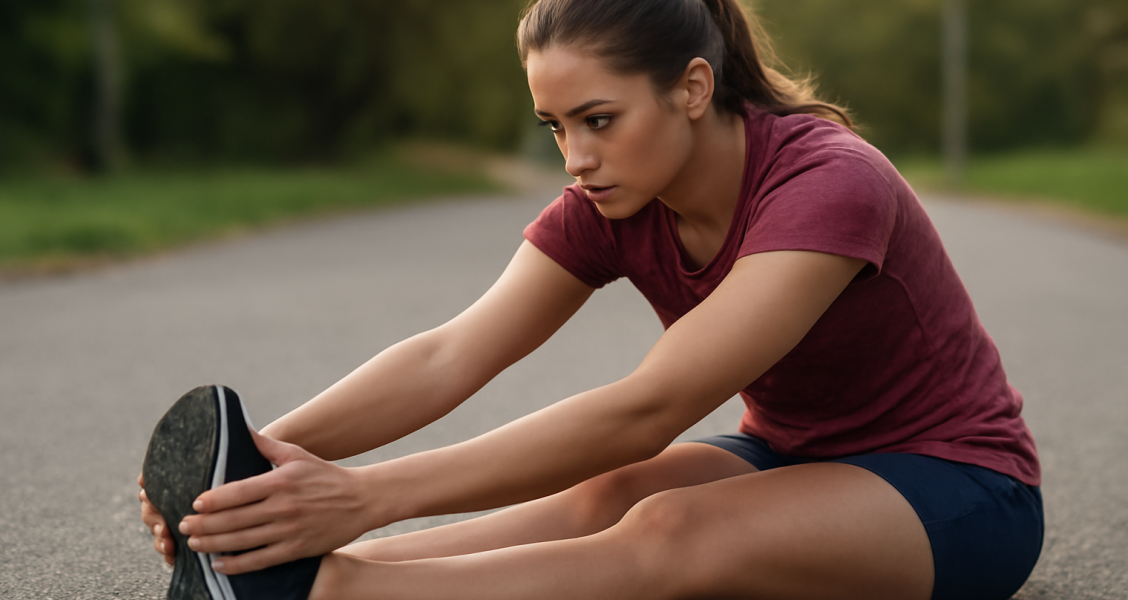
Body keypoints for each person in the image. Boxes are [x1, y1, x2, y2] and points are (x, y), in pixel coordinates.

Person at [139, 0, 1044, 598]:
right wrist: (258, 466)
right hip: (790, 454)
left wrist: (365, 494)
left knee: (672, 528)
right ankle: (281, 568)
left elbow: (646, 406)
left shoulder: (829, 183)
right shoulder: (613, 200)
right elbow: (451, 352)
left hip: (957, 484)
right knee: (599, 498)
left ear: (692, 88)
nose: (576, 157)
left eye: (598, 120)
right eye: (556, 127)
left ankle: (337, 591)